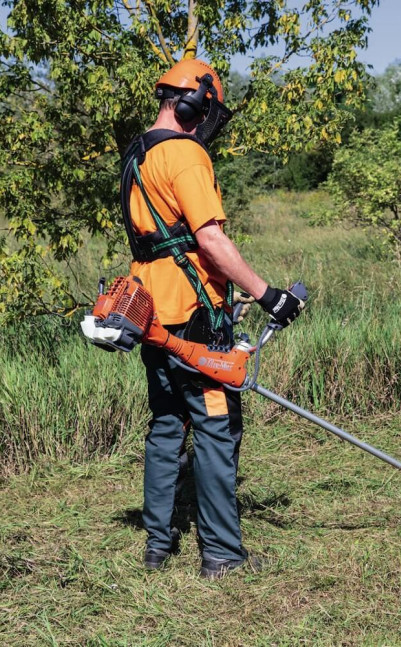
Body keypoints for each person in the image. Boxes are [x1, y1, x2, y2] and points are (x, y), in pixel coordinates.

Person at [119, 58, 305, 579]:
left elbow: (163, 240)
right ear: (192, 102)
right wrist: (267, 295)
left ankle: (158, 545)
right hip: (194, 319)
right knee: (217, 427)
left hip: (149, 313)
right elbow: (210, 239)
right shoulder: (185, 154)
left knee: (165, 425)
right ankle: (222, 555)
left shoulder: (138, 153)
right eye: (206, 112)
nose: (206, 124)